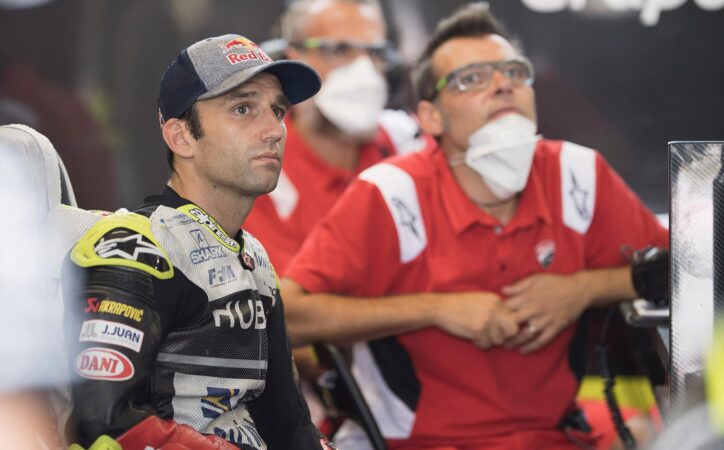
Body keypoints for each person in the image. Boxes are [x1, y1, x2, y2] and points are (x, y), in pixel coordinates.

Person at [281, 3, 668, 449]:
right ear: (430, 118)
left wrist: (582, 288)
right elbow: (288, 316)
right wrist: (437, 309)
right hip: (415, 442)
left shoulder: (577, 175)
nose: (502, 85)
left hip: (550, 436)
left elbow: (679, 272)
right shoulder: (390, 194)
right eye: (471, 78)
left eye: (513, 72)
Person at [62, 34, 334, 450]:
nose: (274, 131)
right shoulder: (135, 248)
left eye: (277, 110)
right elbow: (104, 422)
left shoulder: (254, 258)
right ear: (181, 137)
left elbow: (288, 423)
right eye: (243, 109)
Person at [243, 0, 428, 275]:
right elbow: (294, 309)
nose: (364, 71)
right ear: (295, 58)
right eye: (339, 50)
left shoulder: (407, 139)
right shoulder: (263, 169)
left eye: (375, 53)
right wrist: (438, 307)